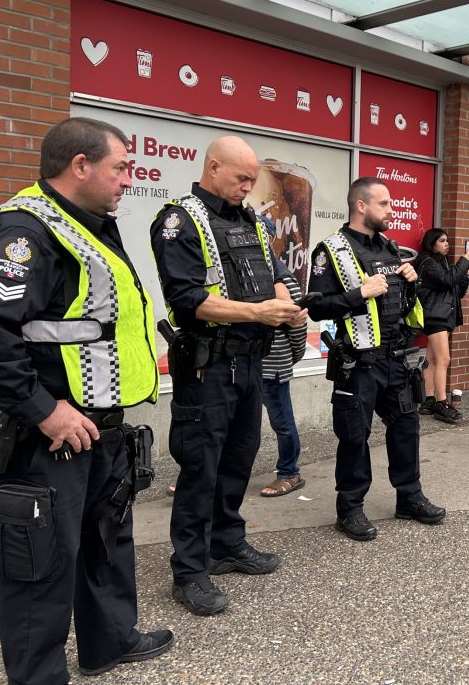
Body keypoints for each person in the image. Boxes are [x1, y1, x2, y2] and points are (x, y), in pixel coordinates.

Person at [0, 117, 172, 682]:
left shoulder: (91, 224)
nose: (129, 178)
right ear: (80, 165)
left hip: (100, 427)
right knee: (40, 569)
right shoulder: (20, 232)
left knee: (106, 541)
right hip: (42, 436)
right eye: (120, 167)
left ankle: (110, 641)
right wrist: (45, 410)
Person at [151, 136, 307, 616]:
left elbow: (276, 272)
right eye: (241, 178)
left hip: (250, 362)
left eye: (252, 179)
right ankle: (190, 571)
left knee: (239, 457)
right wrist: (259, 313)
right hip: (208, 365)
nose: (247, 186)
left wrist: (287, 305)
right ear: (212, 168)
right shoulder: (179, 220)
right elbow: (187, 298)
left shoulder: (251, 221)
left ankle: (227, 544)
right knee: (201, 467)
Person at [307, 176, 445, 541]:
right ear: (361, 206)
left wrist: (413, 280)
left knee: (406, 429)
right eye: (384, 204)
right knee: (354, 436)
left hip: (397, 359)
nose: (391, 209)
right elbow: (316, 308)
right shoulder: (330, 250)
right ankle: (350, 509)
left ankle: (409, 498)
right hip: (358, 364)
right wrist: (359, 293)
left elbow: (400, 302)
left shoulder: (389, 247)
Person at [259, 258, 309, 497]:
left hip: (271, 364)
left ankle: (289, 473)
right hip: (242, 363)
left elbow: (298, 326)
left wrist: (288, 359)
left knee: (282, 423)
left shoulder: (282, 277)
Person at [415, 227, 469, 424]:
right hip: (435, 316)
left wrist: (465, 276)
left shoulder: (442, 263)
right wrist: (464, 263)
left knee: (432, 358)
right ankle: (441, 403)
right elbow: (448, 280)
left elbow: (455, 289)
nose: (446, 244)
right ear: (431, 243)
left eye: (447, 240)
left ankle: (429, 400)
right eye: (442, 240)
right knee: (444, 359)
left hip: (442, 315)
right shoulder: (427, 262)